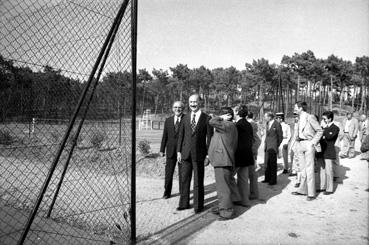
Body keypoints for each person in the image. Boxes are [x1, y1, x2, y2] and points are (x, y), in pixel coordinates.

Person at [176, 94, 213, 213]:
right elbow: (181, 135)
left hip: (199, 155)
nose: (193, 104)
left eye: (195, 102)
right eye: (191, 102)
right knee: (184, 180)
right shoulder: (185, 117)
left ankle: (198, 206)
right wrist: (178, 151)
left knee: (198, 181)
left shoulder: (206, 118)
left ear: (200, 102)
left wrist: (208, 155)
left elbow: (210, 138)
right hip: (185, 154)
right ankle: (183, 204)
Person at [208, 107, 239, 220]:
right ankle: (224, 206)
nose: (220, 116)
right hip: (223, 159)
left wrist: (220, 118)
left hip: (223, 160)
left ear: (229, 116)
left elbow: (212, 122)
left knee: (223, 188)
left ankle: (226, 212)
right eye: (220, 114)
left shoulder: (227, 125)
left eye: (223, 114)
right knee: (225, 185)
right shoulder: (228, 126)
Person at [291, 101, 323, 201]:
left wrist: (312, 142)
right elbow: (297, 132)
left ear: (301, 108)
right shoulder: (298, 118)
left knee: (309, 170)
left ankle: (311, 193)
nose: (294, 109)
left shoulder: (310, 117)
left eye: (296, 107)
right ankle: (302, 190)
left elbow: (320, 130)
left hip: (308, 144)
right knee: (302, 169)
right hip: (300, 144)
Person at [160, 101, 185, 199]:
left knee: (182, 174)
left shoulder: (186, 119)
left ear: (182, 109)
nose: (177, 109)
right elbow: (164, 136)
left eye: (179, 107)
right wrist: (162, 150)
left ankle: (183, 193)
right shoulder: (168, 120)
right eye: (175, 107)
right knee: (168, 173)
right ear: (172, 108)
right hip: (170, 151)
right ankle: (167, 193)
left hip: (182, 152)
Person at [234, 105, 255, 206]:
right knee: (243, 178)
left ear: (237, 112)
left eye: (234, 111)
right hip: (247, 154)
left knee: (228, 177)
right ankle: (244, 200)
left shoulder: (237, 125)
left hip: (239, 155)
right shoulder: (248, 124)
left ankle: (233, 198)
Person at [318, 111, 340, 195]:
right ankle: (322, 187)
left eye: (324, 119)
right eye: (322, 119)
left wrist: (324, 130)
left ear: (329, 119)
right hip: (322, 151)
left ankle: (329, 189)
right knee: (322, 171)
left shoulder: (335, 128)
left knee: (329, 171)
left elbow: (329, 136)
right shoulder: (323, 127)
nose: (322, 120)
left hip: (329, 152)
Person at [262, 112, 283, 185]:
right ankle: (267, 178)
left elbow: (280, 136)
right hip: (267, 146)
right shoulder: (267, 124)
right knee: (267, 163)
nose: (264, 118)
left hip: (273, 147)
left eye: (265, 117)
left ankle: (273, 180)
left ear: (270, 117)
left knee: (272, 163)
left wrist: (276, 145)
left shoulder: (277, 124)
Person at [246, 111, 261, 199]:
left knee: (252, 173)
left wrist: (252, 150)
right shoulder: (253, 124)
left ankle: (254, 193)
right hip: (250, 152)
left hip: (250, 152)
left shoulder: (252, 125)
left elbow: (258, 140)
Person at [290, 113, 302, 187]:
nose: (295, 118)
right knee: (296, 161)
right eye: (294, 116)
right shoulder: (294, 125)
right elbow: (293, 137)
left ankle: (300, 180)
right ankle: (298, 177)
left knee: (300, 163)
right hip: (295, 145)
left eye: (297, 116)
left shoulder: (302, 124)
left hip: (301, 144)